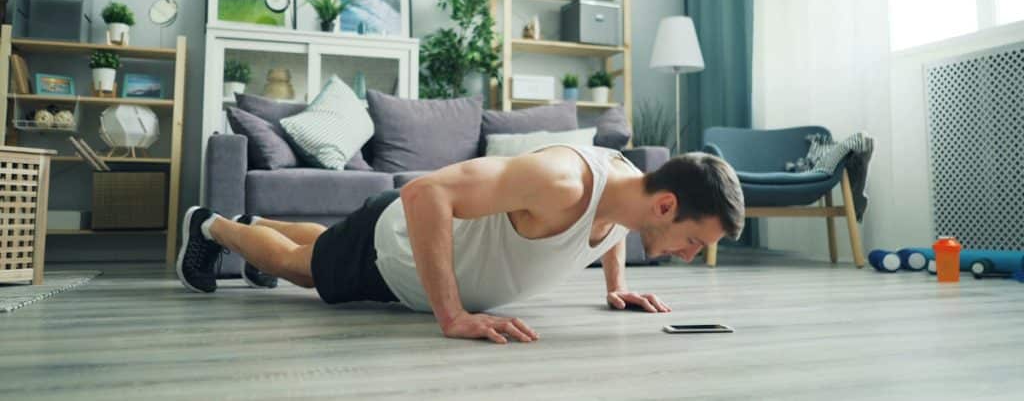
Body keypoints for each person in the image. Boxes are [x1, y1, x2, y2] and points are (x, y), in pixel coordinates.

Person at [177, 144, 744, 344]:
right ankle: (212, 226)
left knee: (326, 241)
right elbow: (426, 194)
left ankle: (251, 220)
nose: (691, 256)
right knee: (301, 267)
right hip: (395, 253)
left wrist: (617, 284)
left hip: (390, 238)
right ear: (667, 206)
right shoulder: (561, 181)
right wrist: (451, 315)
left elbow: (612, 224)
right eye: (694, 241)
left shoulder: (628, 190)